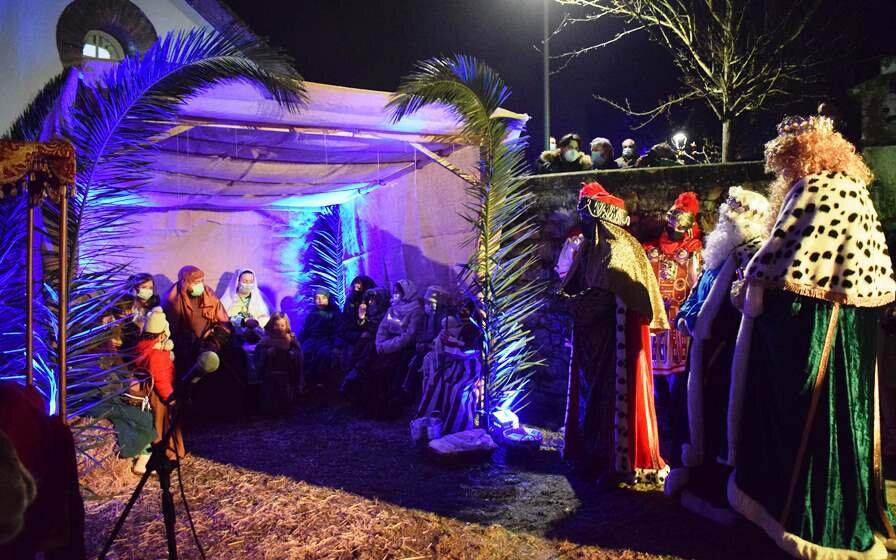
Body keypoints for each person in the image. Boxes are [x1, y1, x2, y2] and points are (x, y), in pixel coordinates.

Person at [727, 115, 896, 559]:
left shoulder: (812, 188)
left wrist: (747, 290)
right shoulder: (856, 191)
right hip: (857, 321)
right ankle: (850, 512)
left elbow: (775, 261)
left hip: (813, 321)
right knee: (851, 414)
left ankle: (805, 519)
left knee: (806, 415)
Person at [663, 187, 770, 524]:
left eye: (735, 211)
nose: (727, 215)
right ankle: (695, 478)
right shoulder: (718, 254)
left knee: (719, 420)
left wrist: (697, 322)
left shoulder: (750, 256)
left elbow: (730, 311)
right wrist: (686, 316)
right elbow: (699, 294)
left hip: (724, 355)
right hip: (701, 350)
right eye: (727, 210)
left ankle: (717, 491)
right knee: (695, 414)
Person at [557, 181, 669, 486]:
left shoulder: (620, 249)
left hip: (615, 343)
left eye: (590, 218)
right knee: (592, 400)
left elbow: (603, 296)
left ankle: (615, 461)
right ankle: (592, 454)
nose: (585, 225)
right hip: (592, 344)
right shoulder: (590, 248)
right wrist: (569, 300)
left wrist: (572, 305)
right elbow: (575, 284)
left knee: (612, 401)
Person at [416, 299, 484, 436]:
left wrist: (453, 344)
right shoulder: (451, 326)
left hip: (469, 368)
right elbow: (442, 347)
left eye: (466, 309)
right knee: (437, 381)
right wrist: (445, 343)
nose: (463, 312)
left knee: (457, 391)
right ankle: (433, 422)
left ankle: (457, 426)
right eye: (461, 308)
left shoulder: (474, 329)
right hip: (454, 365)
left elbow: (471, 350)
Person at [368, 280, 424, 418]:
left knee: (389, 372)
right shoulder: (393, 308)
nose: (396, 295)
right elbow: (383, 327)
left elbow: (408, 336)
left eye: (398, 292)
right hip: (387, 344)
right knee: (370, 366)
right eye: (395, 292)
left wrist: (387, 346)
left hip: (402, 348)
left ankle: (389, 410)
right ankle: (372, 407)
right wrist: (380, 343)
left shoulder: (416, 311)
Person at [134, 307, 184, 461]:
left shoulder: (143, 347)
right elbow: (161, 377)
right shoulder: (158, 355)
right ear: (162, 334)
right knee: (163, 423)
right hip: (159, 394)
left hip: (149, 391)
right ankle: (166, 453)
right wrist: (170, 397)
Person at [162, 265, 230, 377]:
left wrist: (214, 340)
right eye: (196, 282)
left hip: (209, 342)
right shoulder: (173, 298)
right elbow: (170, 328)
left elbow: (222, 319)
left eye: (202, 281)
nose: (200, 285)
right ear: (185, 282)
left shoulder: (208, 294)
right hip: (184, 348)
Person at [341, 287, 390, 404]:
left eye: (373, 300)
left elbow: (383, 329)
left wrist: (370, 333)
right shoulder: (371, 311)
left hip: (378, 342)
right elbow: (363, 325)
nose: (370, 303)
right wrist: (362, 318)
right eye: (369, 300)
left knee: (365, 359)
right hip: (367, 339)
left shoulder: (385, 313)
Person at [403, 285, 450, 399]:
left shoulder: (444, 320)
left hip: (435, 351)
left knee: (424, 362)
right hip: (423, 348)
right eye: (427, 303)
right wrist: (419, 344)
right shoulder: (424, 317)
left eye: (432, 303)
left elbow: (441, 340)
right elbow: (418, 334)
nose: (428, 306)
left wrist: (427, 346)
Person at [254, 312, 303, 415]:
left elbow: (297, 351)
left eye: (282, 325)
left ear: (286, 326)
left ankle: (287, 408)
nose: (279, 328)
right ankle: (270, 409)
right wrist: (266, 352)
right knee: (270, 391)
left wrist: (293, 353)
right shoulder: (266, 340)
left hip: (286, 372)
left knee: (285, 390)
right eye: (276, 325)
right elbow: (259, 352)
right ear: (272, 325)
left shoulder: (290, 339)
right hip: (270, 372)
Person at [298, 288, 341, 388]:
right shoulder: (311, 314)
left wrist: (337, 346)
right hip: (311, 340)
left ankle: (321, 382)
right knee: (304, 353)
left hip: (326, 340)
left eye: (323, 298)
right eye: (317, 298)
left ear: (328, 299)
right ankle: (306, 382)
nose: (320, 301)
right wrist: (297, 342)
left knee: (323, 354)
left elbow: (338, 331)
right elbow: (305, 330)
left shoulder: (334, 315)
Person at [220, 268, 271, 333]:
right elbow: (222, 317)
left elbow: (266, 317)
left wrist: (255, 323)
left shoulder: (258, 298)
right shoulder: (229, 298)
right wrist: (241, 321)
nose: (248, 285)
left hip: (255, 334)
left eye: (251, 282)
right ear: (238, 282)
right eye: (244, 281)